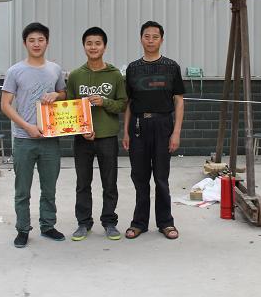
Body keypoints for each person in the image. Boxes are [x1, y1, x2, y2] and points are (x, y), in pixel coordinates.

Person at [0, 22, 67, 248]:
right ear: (25, 43)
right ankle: (22, 229)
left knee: (49, 188)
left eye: (40, 40)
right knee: (22, 190)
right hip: (23, 139)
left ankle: (48, 225)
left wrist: (56, 95)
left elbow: (63, 93)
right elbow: (5, 105)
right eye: (32, 40)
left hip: (50, 139)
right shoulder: (15, 71)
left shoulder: (55, 69)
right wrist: (27, 126)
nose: (36, 44)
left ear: (47, 42)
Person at [122, 21, 184, 240]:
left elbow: (179, 101)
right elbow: (129, 103)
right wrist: (126, 132)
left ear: (161, 40)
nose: (150, 41)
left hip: (163, 125)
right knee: (140, 177)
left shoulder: (171, 67)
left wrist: (176, 132)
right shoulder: (133, 68)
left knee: (161, 178)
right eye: (146, 36)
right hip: (138, 126)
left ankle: (166, 222)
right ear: (141, 39)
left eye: (155, 37)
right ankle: (139, 223)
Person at [66, 27, 127, 241]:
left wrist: (105, 102)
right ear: (84, 46)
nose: (93, 47)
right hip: (82, 139)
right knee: (83, 183)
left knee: (109, 183)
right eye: (89, 43)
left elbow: (122, 105)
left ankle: (110, 222)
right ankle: (83, 223)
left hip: (107, 137)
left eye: (97, 43)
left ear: (104, 46)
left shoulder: (115, 75)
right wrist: (82, 130)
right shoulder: (75, 75)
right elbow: (70, 108)